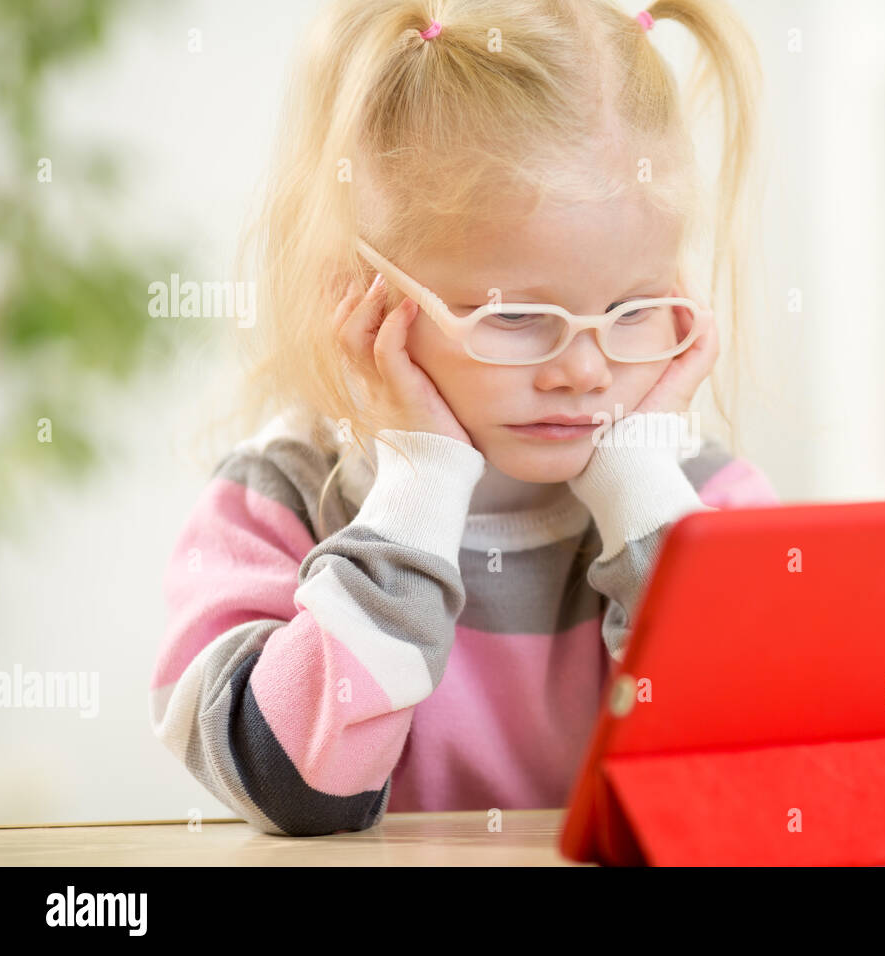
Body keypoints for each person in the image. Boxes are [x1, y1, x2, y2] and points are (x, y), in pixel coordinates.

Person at [149, 0, 778, 837]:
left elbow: (750, 761)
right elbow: (287, 788)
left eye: (633, 308)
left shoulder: (698, 503)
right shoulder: (279, 502)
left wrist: (643, 489)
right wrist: (421, 484)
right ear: (365, 299)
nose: (583, 371)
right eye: (514, 316)